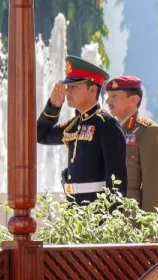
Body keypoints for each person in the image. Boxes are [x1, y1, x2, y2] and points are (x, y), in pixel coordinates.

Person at [37, 55, 128, 205]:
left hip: (96, 211)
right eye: (67, 87)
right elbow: (40, 135)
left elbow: (117, 183)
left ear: (92, 89)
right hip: (74, 209)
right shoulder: (74, 124)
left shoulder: (107, 124)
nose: (67, 91)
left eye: (74, 87)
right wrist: (53, 106)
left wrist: (109, 216)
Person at [106, 75, 158, 212]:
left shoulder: (147, 131)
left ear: (134, 100)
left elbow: (154, 185)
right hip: (107, 216)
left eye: (115, 96)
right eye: (108, 96)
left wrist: (149, 223)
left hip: (130, 217)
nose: (108, 101)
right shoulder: (109, 130)